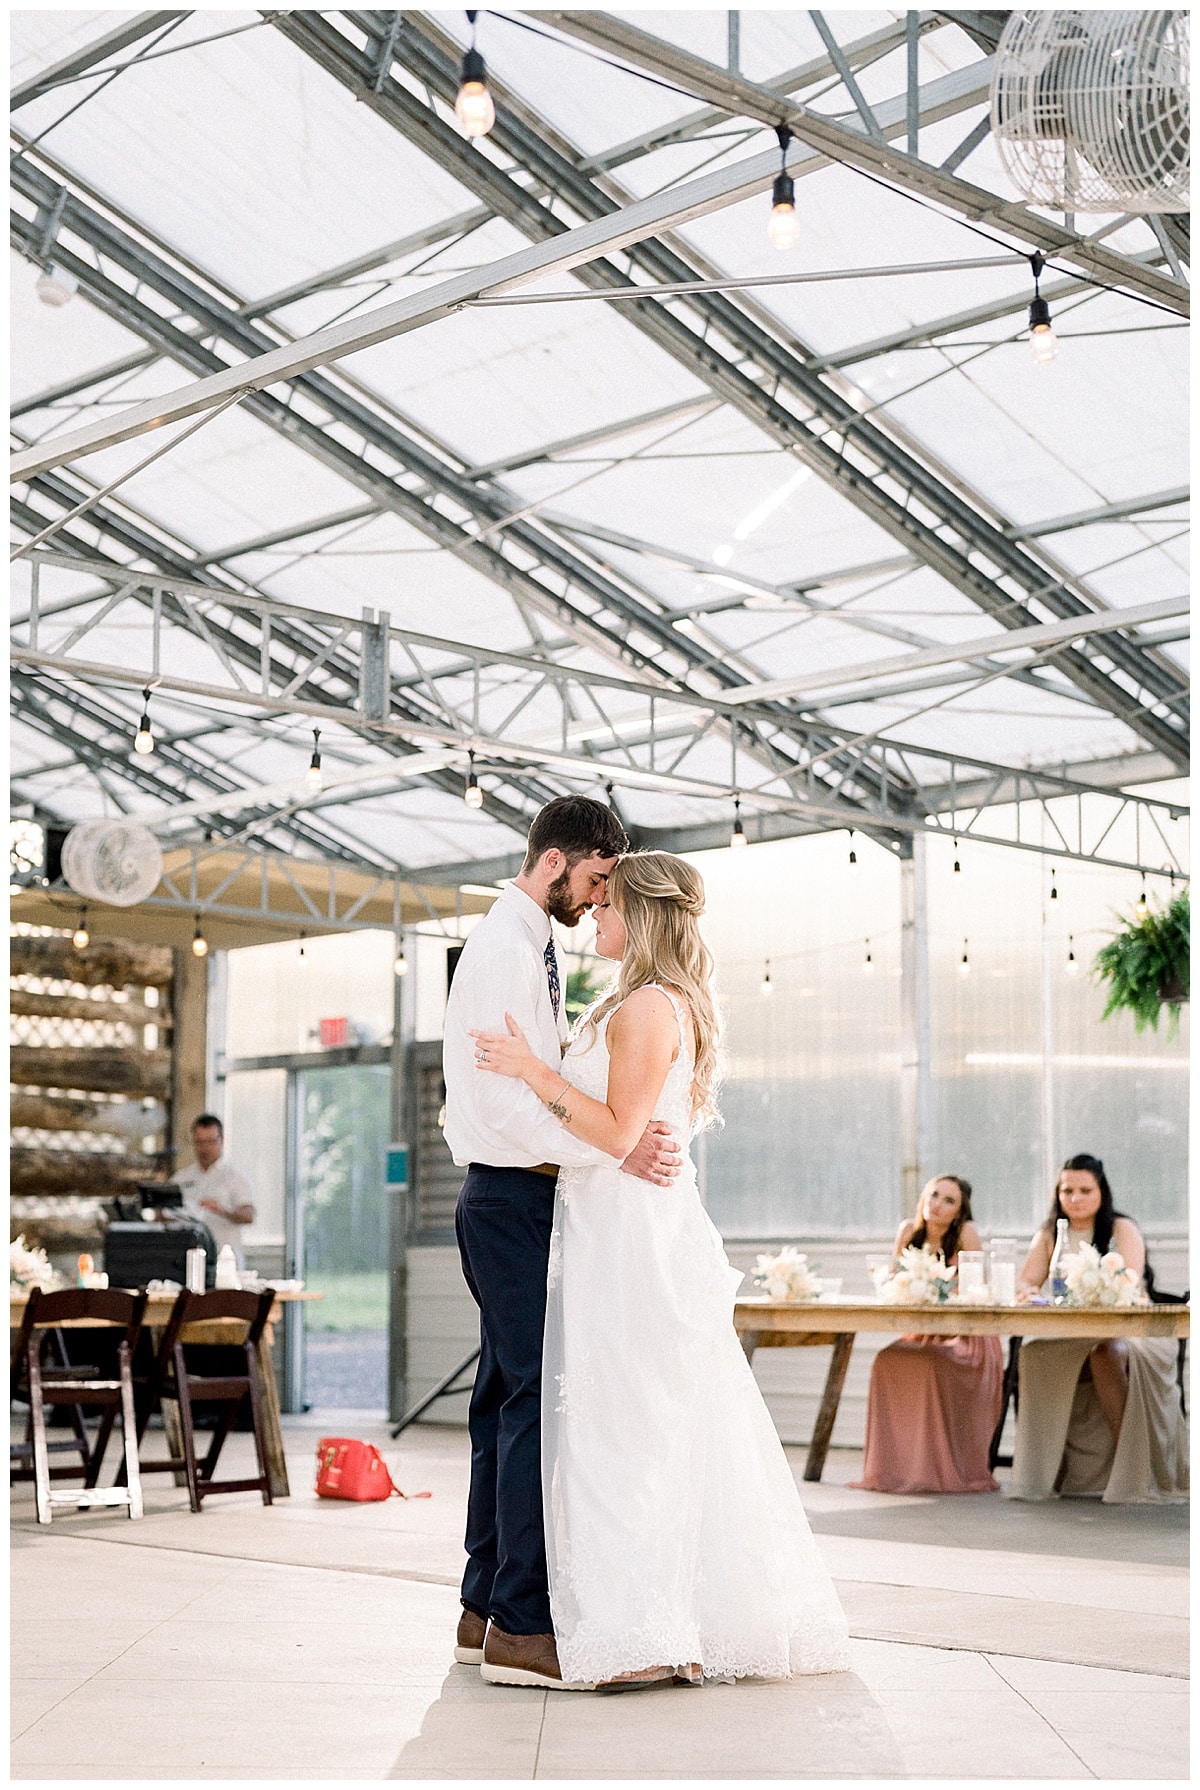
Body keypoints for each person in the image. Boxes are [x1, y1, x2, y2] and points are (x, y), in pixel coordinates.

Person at [473, 850, 850, 1688]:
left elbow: (615, 1133)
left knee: (625, 1426)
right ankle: (653, 1621)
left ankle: (639, 1630)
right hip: (615, 1224)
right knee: (636, 1424)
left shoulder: (646, 1005)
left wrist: (530, 1069)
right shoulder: (637, 1000)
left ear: (638, 917)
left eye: (606, 906)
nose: (594, 917)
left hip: (629, 1238)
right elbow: (623, 1133)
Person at [442, 798, 683, 1693]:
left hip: (511, 1193)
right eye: (591, 881)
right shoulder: (508, 950)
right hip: (514, 1197)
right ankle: (521, 1622)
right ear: (556, 863)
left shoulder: (525, 940)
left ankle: (480, 1610)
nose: (594, 902)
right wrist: (616, 1146)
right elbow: (503, 1105)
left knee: (505, 1397)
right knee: (533, 1408)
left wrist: (608, 1144)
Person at [1006, 1154, 1188, 1503]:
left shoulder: (1122, 1229)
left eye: (1085, 1190)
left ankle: (1133, 1471)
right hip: (1075, 1333)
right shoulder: (1049, 1234)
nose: (1075, 1198)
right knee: (1033, 1354)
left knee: (1107, 1353)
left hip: (1136, 1331)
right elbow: (1027, 1281)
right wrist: (1028, 1291)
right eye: (1067, 1190)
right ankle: (1047, 1469)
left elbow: (1131, 1286)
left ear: (1102, 1191)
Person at [851, 1175, 1003, 1495]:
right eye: (934, 1195)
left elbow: (977, 1289)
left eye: (950, 1200)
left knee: (929, 1365)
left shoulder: (965, 1233)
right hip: (922, 1334)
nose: (938, 1204)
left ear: (960, 1211)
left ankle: (935, 1469)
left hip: (966, 1338)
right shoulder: (908, 1231)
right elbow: (892, 1282)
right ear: (923, 1197)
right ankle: (895, 1468)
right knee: (886, 1359)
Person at [176, 1113, 256, 1269]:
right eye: (200, 1142)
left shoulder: (235, 1178)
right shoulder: (181, 1178)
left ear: (221, 1140)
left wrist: (221, 1210)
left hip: (225, 1261)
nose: (205, 1148)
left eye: (210, 1142)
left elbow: (249, 1216)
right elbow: (160, 1214)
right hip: (188, 1261)